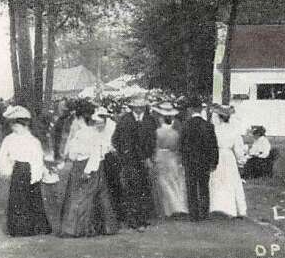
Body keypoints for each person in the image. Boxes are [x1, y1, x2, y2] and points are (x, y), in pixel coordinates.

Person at [58, 104, 120, 238]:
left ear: (81, 119)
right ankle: (95, 226)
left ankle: (79, 228)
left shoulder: (90, 134)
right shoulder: (83, 133)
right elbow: (73, 152)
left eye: (77, 119)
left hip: (89, 167)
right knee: (85, 196)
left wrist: (87, 170)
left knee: (84, 197)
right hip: (81, 166)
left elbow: (95, 154)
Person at [0, 106, 52, 237]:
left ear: (25, 125)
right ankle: (19, 228)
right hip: (18, 170)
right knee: (18, 199)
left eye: (17, 125)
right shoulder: (9, 139)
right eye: (13, 125)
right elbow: (3, 156)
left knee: (33, 198)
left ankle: (36, 227)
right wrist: (4, 166)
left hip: (31, 170)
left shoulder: (33, 141)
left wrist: (36, 175)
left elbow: (38, 159)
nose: (14, 128)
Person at [111, 95, 157, 229]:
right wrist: (124, 154)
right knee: (132, 188)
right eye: (136, 107)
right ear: (132, 107)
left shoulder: (149, 120)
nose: (139, 109)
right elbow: (116, 139)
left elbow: (153, 140)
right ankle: (132, 219)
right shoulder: (125, 120)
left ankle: (142, 218)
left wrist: (149, 156)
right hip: (129, 160)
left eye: (141, 106)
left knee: (144, 188)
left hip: (144, 159)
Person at [180, 100, 219, 221]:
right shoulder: (208, 126)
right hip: (204, 161)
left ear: (191, 109)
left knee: (191, 187)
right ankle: (204, 212)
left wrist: (183, 160)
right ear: (201, 109)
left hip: (190, 161)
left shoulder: (186, 125)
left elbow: (182, 145)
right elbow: (214, 146)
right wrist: (214, 161)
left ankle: (194, 214)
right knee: (204, 187)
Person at [209, 105, 248, 218]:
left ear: (219, 117)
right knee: (231, 180)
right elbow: (238, 149)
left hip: (217, 156)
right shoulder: (234, 131)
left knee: (218, 180)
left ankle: (217, 206)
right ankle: (231, 208)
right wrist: (240, 161)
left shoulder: (215, 130)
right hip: (229, 156)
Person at [151, 102, 188, 218]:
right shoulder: (175, 133)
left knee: (164, 183)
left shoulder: (157, 132)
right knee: (175, 182)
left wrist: (154, 157)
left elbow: (156, 146)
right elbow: (177, 147)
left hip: (161, 156)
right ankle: (179, 206)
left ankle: (169, 209)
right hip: (172, 157)